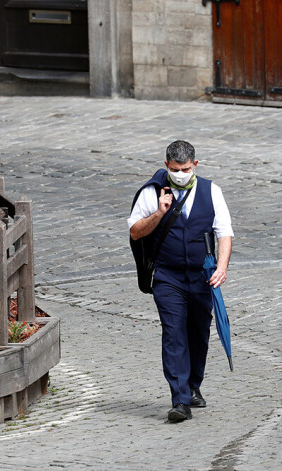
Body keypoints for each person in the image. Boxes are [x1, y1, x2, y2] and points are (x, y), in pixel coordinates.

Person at [128, 140, 233, 423]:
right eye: (175, 169)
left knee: (198, 332)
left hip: (202, 276)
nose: (180, 173)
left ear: (195, 165)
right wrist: (160, 213)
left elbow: (224, 232)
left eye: (185, 169)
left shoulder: (212, 191)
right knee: (174, 332)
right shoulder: (152, 192)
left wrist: (221, 267)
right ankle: (180, 400)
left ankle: (193, 385)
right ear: (166, 166)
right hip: (168, 275)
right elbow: (136, 232)